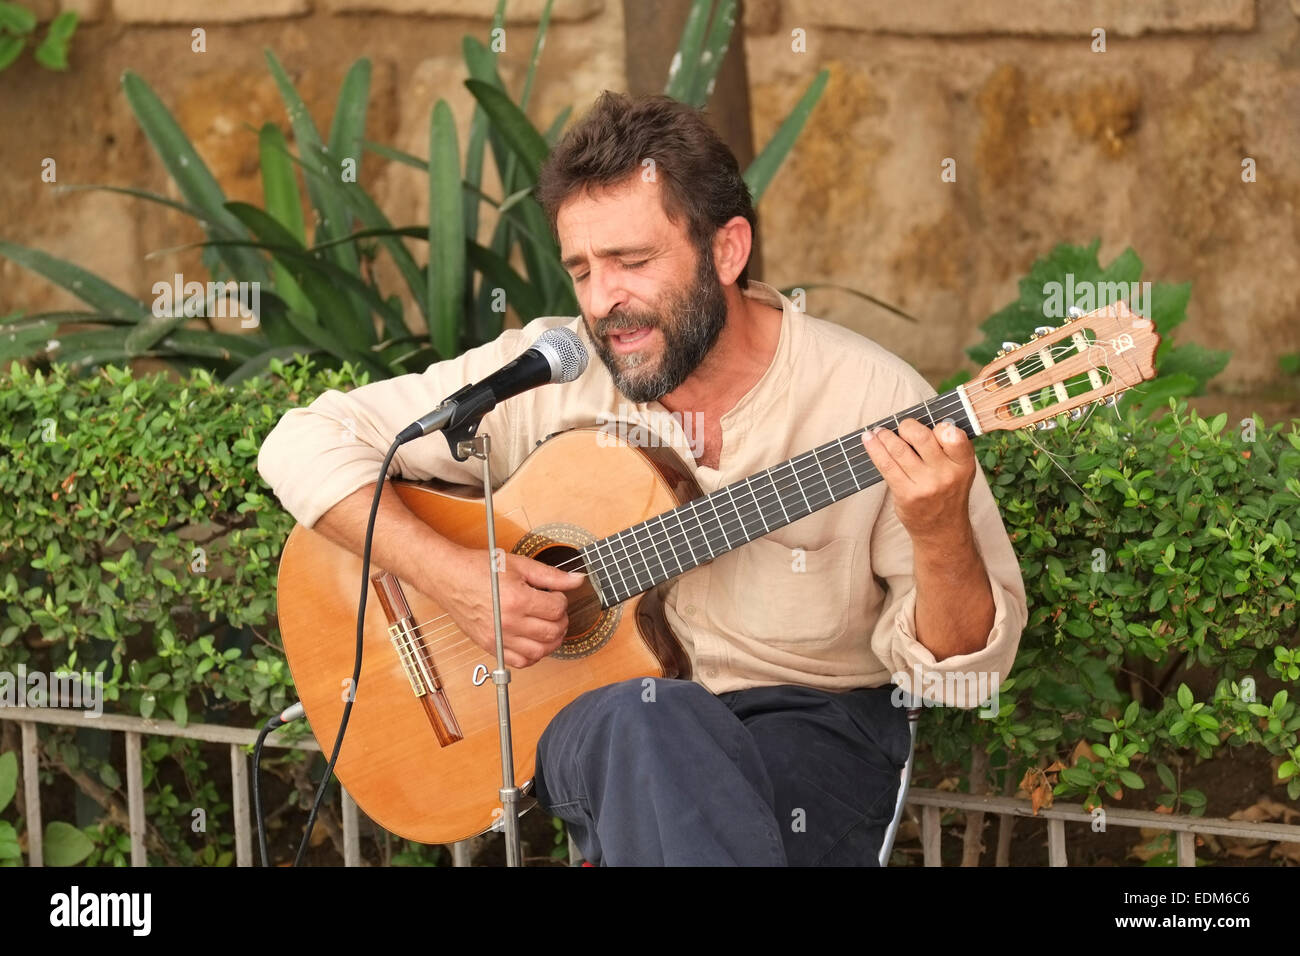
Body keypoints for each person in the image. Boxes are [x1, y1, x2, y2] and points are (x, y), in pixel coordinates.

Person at [257, 90, 1028, 866]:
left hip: (808, 736)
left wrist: (938, 532)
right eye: (582, 269)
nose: (601, 301)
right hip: (614, 735)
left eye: (632, 262)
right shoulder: (552, 374)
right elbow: (304, 440)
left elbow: (964, 678)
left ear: (727, 251)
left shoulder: (876, 401)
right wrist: (452, 576)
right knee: (650, 718)